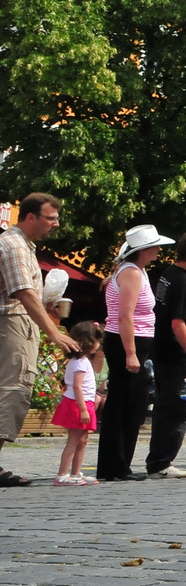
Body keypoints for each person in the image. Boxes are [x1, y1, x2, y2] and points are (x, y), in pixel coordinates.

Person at [0, 194, 80, 488]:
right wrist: (53, 332)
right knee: (13, 391)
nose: (56, 224)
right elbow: (23, 292)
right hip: (11, 324)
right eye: (51, 218)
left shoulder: (22, 245)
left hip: (17, 322)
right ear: (30, 217)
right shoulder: (14, 246)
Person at [89, 224, 176, 483]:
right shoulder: (132, 274)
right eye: (156, 246)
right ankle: (115, 465)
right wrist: (130, 353)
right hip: (128, 341)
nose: (159, 250)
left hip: (135, 340)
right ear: (144, 249)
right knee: (125, 402)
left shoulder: (135, 271)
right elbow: (125, 316)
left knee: (131, 402)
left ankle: (118, 464)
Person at [146, 232, 186, 478]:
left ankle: (158, 461)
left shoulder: (167, 275)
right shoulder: (183, 281)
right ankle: (162, 463)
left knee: (164, 407)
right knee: (178, 408)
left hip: (161, 350)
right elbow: (178, 322)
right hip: (175, 354)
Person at [53, 321, 105, 486]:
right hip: (77, 404)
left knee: (82, 440)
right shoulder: (80, 363)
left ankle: (76, 473)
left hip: (84, 403)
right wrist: (83, 409)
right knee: (74, 440)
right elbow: (77, 386)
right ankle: (62, 474)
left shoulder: (83, 361)